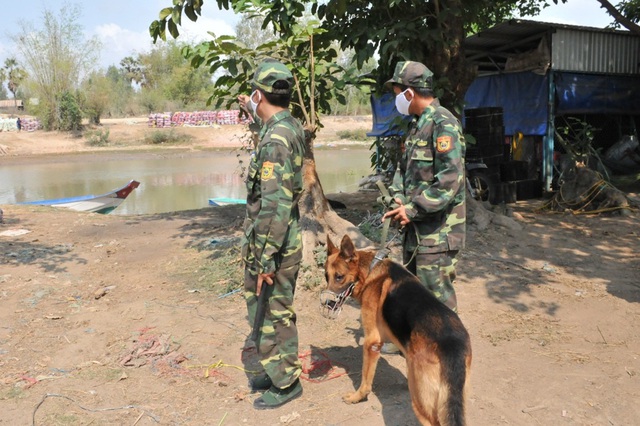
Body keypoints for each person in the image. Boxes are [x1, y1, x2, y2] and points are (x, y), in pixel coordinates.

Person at [237, 59, 306, 409]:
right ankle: (275, 368)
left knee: (272, 312)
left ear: (258, 94)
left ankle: (287, 382)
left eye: (252, 93)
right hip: (279, 240)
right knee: (269, 310)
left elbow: (275, 205)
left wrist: (264, 258)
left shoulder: (276, 139)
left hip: (274, 246)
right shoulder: (286, 126)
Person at [382, 60, 466, 317]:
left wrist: (413, 209)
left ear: (410, 92)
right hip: (416, 232)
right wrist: (397, 197)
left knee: (437, 302)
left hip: (437, 234)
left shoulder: (443, 124)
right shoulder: (417, 125)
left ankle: (449, 353)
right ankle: (413, 342)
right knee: (414, 293)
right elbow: (404, 171)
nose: (397, 100)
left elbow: (449, 181)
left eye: (398, 94)